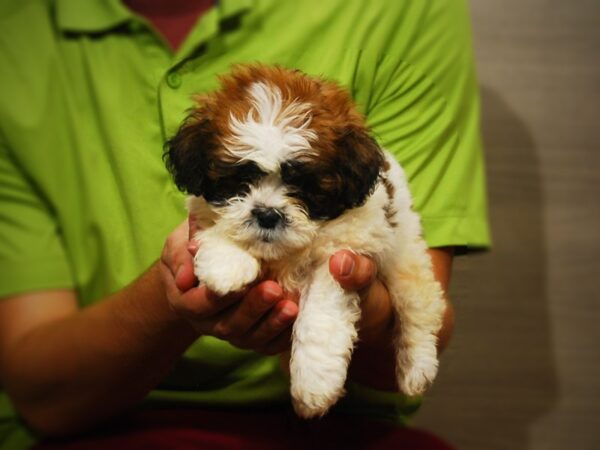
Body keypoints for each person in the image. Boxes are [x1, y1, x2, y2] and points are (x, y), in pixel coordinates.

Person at [0, 0, 490, 448]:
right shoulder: (16, 37)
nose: (267, 206)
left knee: (404, 284)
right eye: (240, 180)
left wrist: (355, 306)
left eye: (301, 185)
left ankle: (413, 346)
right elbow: (36, 390)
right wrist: (175, 294)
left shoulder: (407, 14)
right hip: (93, 421)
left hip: (345, 424)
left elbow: (402, 302)